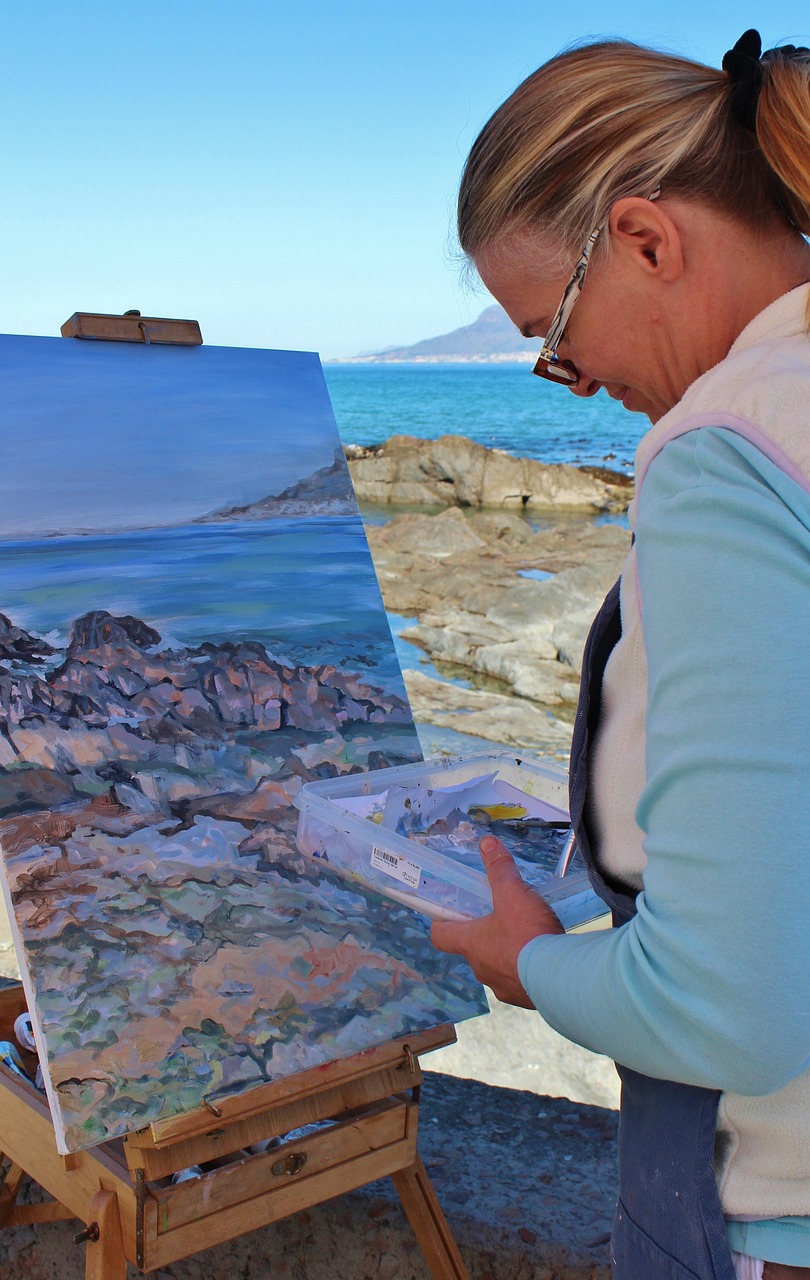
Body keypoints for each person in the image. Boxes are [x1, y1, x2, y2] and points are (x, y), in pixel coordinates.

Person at [431, 30, 810, 1280]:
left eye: (553, 333)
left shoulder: (730, 451)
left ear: (646, 240)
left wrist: (533, 964)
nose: (573, 382)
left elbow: (724, 1006)